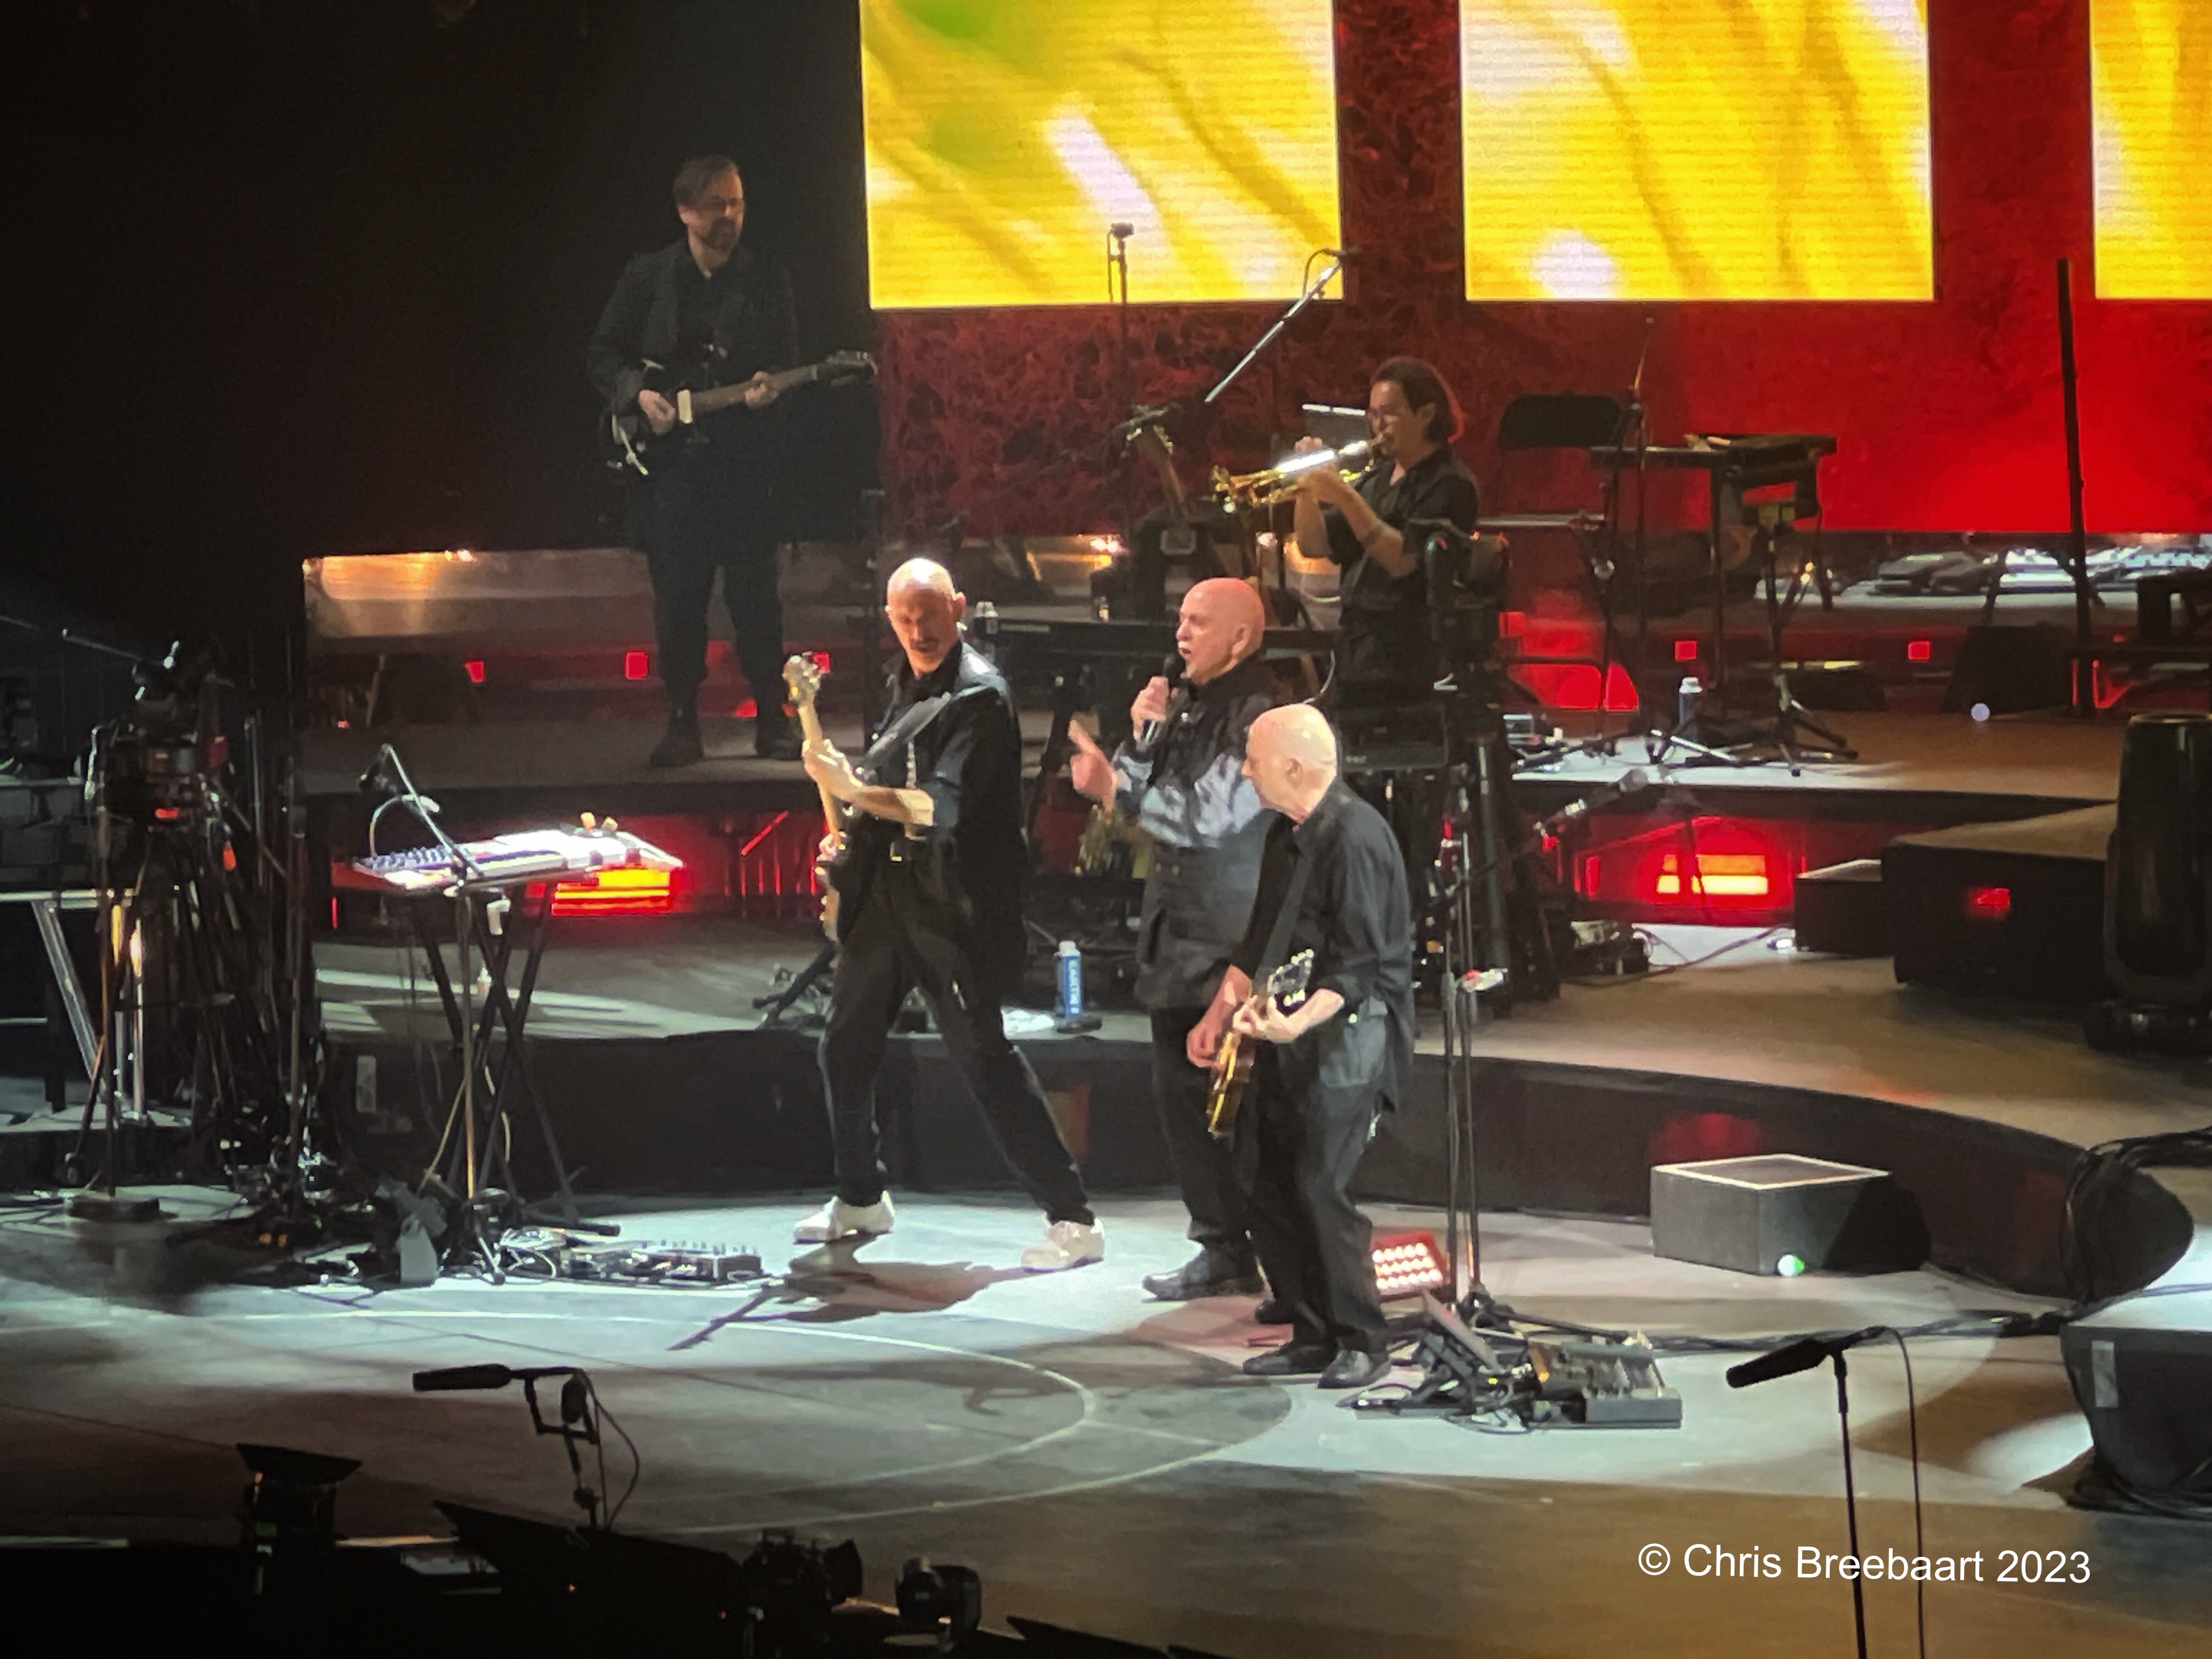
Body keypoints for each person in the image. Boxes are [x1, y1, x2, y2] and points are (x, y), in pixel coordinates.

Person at [795, 559, 1103, 1271]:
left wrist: (852, 791)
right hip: (888, 896)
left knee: (983, 1060)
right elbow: (890, 786)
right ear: (889, 617)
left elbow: (936, 808)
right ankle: (861, 1195)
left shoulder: (980, 697)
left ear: (958, 608)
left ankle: (1073, 1219)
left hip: (952, 907)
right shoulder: (903, 681)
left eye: (929, 616)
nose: (918, 630)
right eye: (905, 618)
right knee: (845, 1046)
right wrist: (851, 830)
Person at [1066, 578, 1282, 1304]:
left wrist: (1114, 788)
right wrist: (1141, 739)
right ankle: (1221, 1247)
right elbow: (1137, 804)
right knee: (1182, 1102)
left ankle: (1275, 1253)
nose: (1181, 634)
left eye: (1198, 622)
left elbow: (1207, 820)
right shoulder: (1190, 704)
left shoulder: (1262, 716)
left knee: (1240, 1108)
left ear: (1241, 638)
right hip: (1176, 935)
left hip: (1229, 940)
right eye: (1181, 620)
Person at [1187, 705, 1414, 1390]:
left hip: (1351, 1035)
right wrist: (1220, 1014)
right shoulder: (1285, 836)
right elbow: (1261, 939)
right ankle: (1311, 1331)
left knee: (1320, 1184)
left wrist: (1298, 1023)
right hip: (1286, 1034)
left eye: (1254, 759)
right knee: (1263, 1176)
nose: (1244, 772)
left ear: (1293, 766)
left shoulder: (1356, 838)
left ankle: (1363, 1338)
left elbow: (1360, 965)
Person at [586, 154, 802, 766]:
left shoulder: (766, 279)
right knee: (679, 602)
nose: (730, 216)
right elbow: (602, 353)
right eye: (716, 206)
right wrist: (637, 394)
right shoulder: (649, 277)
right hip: (674, 473)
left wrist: (770, 391)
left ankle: (772, 718)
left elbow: (787, 363)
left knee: (756, 597)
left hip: (744, 465)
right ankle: (682, 723)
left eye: (737, 203)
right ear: (685, 212)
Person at [1289, 356, 1480, 702]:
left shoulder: (1450, 482)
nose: (1378, 426)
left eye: (1389, 414)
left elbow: (1403, 560)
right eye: (1373, 415)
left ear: (1426, 414)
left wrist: (1344, 496)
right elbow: (1314, 545)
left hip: (1409, 654)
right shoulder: (1376, 479)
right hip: (1357, 648)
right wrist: (1304, 489)